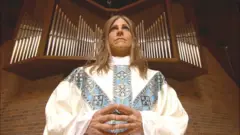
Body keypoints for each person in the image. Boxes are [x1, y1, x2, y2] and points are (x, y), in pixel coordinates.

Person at [43, 15, 189, 135]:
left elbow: (178, 121)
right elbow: (55, 118)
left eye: (125, 28)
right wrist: (84, 125)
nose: (120, 32)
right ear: (106, 38)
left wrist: (146, 123)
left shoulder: (155, 79)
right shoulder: (80, 76)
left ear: (134, 38)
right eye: (114, 28)